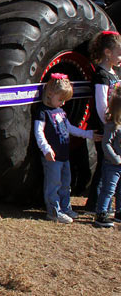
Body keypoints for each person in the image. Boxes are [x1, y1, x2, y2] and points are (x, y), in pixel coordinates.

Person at [34, 74, 100, 223]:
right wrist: (46, 149)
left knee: (65, 183)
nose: (63, 103)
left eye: (64, 100)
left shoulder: (61, 111)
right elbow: (38, 132)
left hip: (64, 156)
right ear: (50, 94)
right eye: (61, 99)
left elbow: (69, 128)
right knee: (53, 184)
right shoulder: (43, 112)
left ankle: (65, 207)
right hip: (52, 157)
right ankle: (53, 211)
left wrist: (88, 134)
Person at [84, 30, 121, 214]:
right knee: (104, 164)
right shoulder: (101, 75)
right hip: (105, 127)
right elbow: (101, 105)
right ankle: (94, 205)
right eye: (119, 53)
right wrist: (108, 126)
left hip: (116, 126)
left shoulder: (115, 73)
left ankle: (103, 203)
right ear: (108, 52)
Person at [94, 85, 121, 228]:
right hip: (112, 165)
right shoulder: (112, 125)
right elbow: (106, 144)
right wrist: (115, 158)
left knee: (120, 189)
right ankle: (101, 213)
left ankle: (119, 212)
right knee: (109, 189)